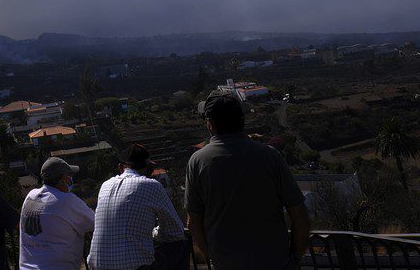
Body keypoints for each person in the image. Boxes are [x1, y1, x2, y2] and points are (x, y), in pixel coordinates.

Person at [185, 90, 310, 270]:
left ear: (210, 123)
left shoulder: (197, 162)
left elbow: (193, 223)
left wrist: (212, 258)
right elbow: (299, 215)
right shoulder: (270, 157)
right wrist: (295, 258)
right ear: (242, 120)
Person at [87, 144, 188, 270]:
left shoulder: (105, 185)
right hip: (134, 267)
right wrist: (153, 233)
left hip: (97, 266)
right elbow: (175, 231)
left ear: (121, 167)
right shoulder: (151, 185)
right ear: (149, 168)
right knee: (180, 245)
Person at [19, 156, 95, 269]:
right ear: (63, 178)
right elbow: (96, 222)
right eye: (70, 176)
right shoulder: (66, 200)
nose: (71, 180)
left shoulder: (31, 196)